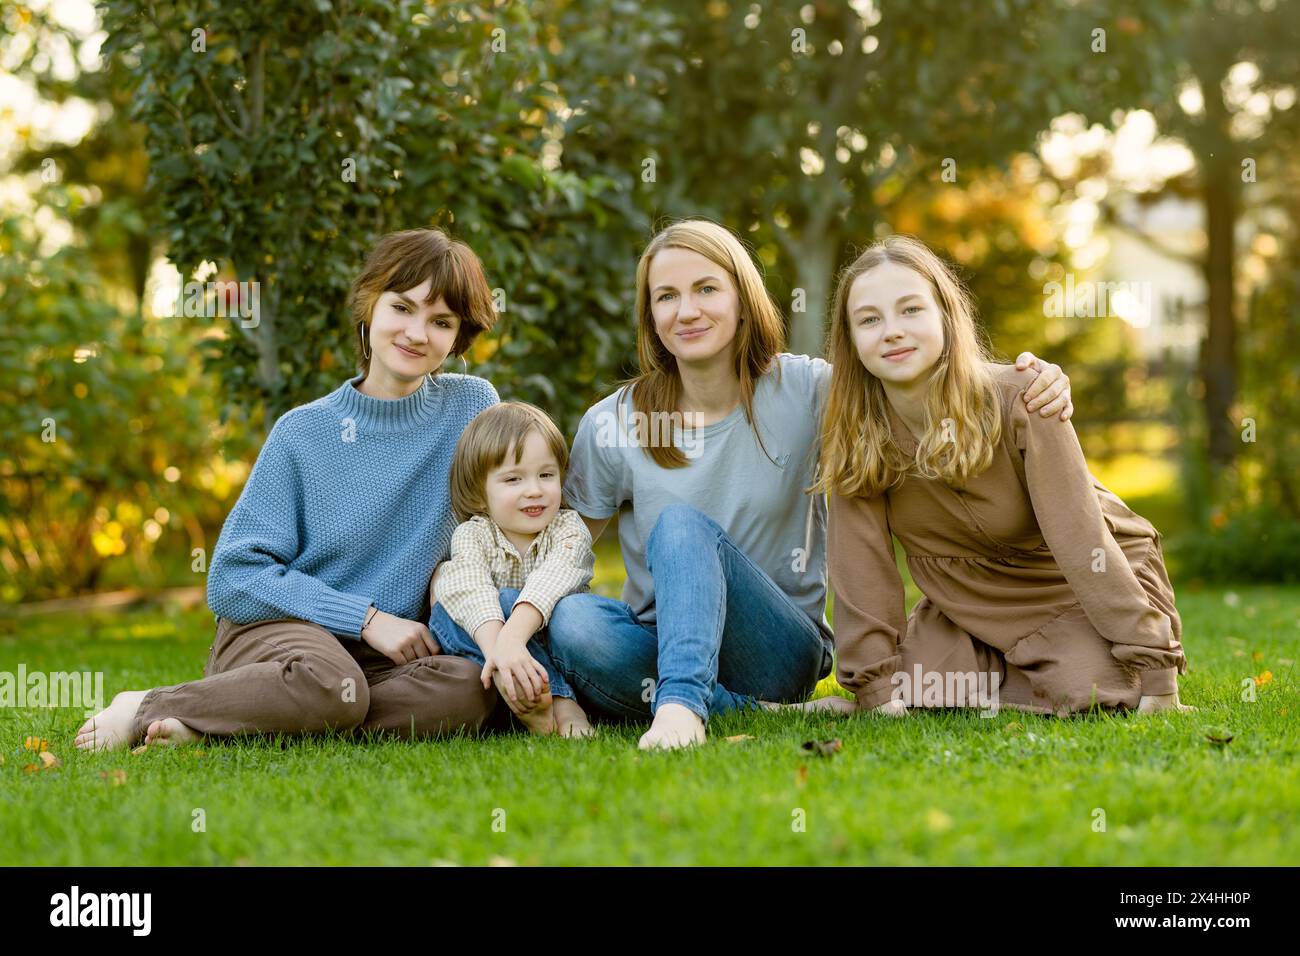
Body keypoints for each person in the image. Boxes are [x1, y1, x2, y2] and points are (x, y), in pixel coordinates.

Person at [544, 219, 1075, 749]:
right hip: (659, 642)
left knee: (680, 526)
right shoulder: (612, 421)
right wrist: (559, 683)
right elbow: (564, 556)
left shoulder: (811, 390)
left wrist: (1023, 380)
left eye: (707, 289)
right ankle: (752, 711)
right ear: (650, 316)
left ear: (744, 299)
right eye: (667, 297)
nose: (687, 311)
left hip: (776, 648)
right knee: (573, 621)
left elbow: (922, 379)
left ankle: (681, 705)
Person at [75, 227, 503, 751]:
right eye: (402, 308)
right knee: (331, 686)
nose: (417, 333)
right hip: (280, 634)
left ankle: (252, 717)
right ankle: (146, 705)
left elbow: (497, 521)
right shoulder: (303, 432)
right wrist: (364, 618)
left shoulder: (472, 407)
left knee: (466, 690)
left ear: (458, 338)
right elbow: (232, 577)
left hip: (381, 659)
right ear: (369, 305)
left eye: (441, 322)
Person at [811, 235, 1190, 718]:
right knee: (922, 689)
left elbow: (1082, 538)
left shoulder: (1024, 399)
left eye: (911, 310)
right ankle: (995, 669)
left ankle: (1084, 662)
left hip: (1066, 580)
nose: (892, 331)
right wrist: (875, 692)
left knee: (1097, 693)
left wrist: (1154, 668)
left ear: (946, 317)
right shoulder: (857, 431)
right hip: (968, 603)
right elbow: (860, 566)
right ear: (851, 339)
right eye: (869, 319)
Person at [430, 401, 597, 738]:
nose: (534, 490)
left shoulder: (568, 529)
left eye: (546, 475)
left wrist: (514, 638)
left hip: (551, 648)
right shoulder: (474, 534)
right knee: (451, 599)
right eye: (513, 479)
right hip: (489, 653)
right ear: (480, 493)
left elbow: (555, 578)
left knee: (514, 599)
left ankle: (555, 699)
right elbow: (469, 587)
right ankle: (538, 700)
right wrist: (502, 651)